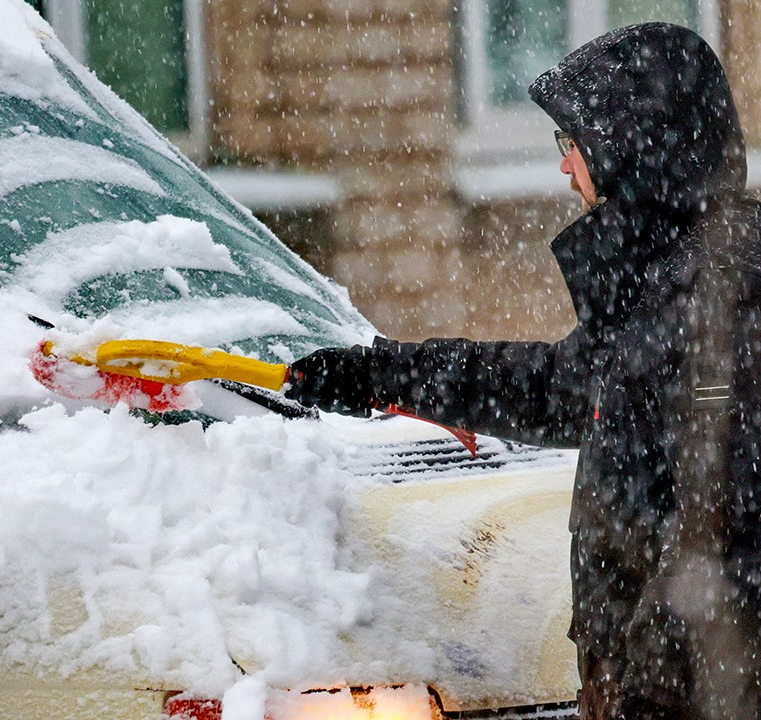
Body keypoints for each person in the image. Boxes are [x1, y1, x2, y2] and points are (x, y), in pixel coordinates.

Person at [284, 23, 761, 720]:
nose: (565, 169)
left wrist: (649, 696)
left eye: (574, 146)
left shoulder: (724, 302)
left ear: (633, 149)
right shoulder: (666, 290)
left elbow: (730, 549)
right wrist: (382, 376)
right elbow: (546, 385)